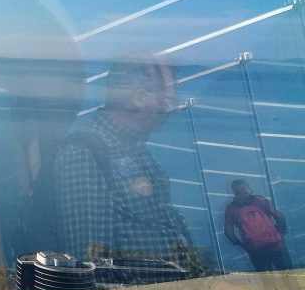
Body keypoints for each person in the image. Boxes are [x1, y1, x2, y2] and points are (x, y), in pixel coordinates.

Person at [53, 56, 192, 267]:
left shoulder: (139, 153)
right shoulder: (84, 152)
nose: (170, 109)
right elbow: (92, 264)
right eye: (167, 100)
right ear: (138, 99)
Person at [224, 179, 291, 271]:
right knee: (288, 275)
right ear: (246, 188)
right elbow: (279, 217)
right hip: (275, 243)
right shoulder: (259, 200)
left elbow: (228, 233)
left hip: (255, 249)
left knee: (267, 280)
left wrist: (242, 245)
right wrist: (281, 232)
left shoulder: (231, 209)